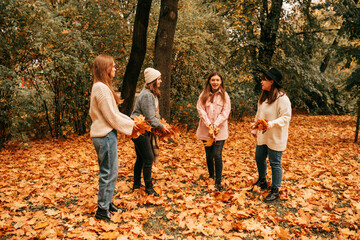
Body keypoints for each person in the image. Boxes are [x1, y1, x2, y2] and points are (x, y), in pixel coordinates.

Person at [89, 54, 137, 221]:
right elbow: (111, 117)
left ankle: (107, 203)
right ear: (105, 68)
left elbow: (115, 114)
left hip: (106, 134)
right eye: (113, 66)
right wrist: (132, 127)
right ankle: (102, 210)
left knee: (112, 171)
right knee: (107, 172)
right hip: (104, 135)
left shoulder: (102, 86)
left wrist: (131, 121)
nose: (115, 69)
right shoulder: (101, 88)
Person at [251, 67, 291, 202]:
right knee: (259, 157)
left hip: (275, 137)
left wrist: (271, 124)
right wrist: (255, 128)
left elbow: (286, 117)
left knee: (275, 162)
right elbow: (259, 114)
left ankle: (275, 190)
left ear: (272, 82)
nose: (261, 82)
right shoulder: (263, 96)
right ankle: (262, 180)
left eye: (264, 79)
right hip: (263, 135)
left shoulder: (282, 98)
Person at [130, 67, 169, 197]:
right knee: (148, 157)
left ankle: (136, 185)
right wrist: (162, 127)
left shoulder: (149, 93)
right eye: (158, 79)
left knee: (141, 158)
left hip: (140, 129)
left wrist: (160, 123)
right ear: (152, 81)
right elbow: (150, 118)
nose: (161, 81)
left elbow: (153, 115)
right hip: (139, 130)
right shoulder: (147, 95)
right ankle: (149, 188)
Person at [196, 71, 231, 191]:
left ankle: (218, 181)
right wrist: (209, 125)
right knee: (209, 154)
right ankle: (211, 175)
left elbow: (225, 112)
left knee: (217, 154)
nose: (215, 82)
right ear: (209, 82)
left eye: (217, 80)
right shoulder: (203, 95)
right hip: (206, 129)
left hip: (220, 129)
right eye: (213, 80)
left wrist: (215, 125)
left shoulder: (225, 95)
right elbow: (200, 110)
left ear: (221, 82)